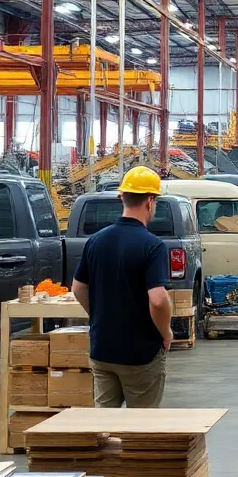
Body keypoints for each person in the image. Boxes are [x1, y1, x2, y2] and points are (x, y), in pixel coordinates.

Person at [72, 165, 173, 408]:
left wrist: (99, 317)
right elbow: (158, 300)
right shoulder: (153, 246)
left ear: (121, 198)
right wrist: (166, 332)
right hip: (140, 353)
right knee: (140, 424)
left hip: (103, 350)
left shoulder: (95, 241)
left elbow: (78, 288)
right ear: (150, 202)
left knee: (106, 422)